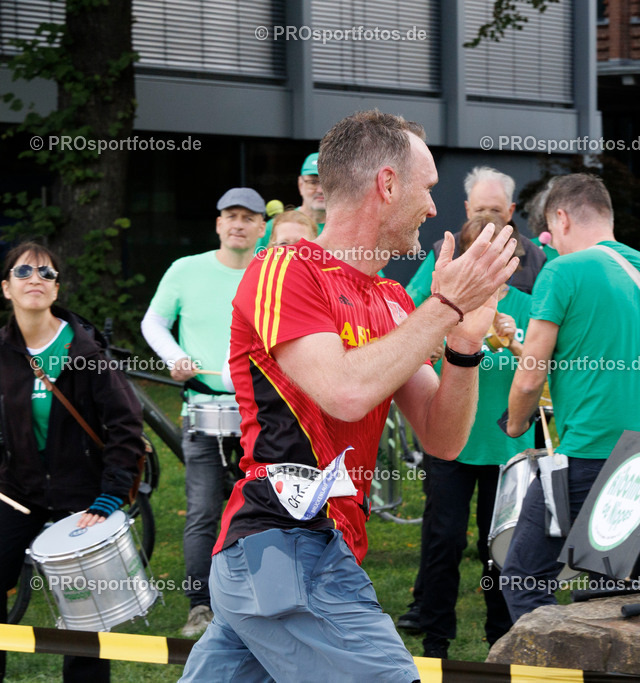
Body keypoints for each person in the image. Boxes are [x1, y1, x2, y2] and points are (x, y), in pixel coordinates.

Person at [179, 110, 519, 682]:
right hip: (282, 543)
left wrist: (462, 345)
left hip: (302, 552)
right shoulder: (284, 268)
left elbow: (443, 438)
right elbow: (344, 391)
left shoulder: (391, 299)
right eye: (428, 188)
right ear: (387, 184)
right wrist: (445, 308)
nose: (435, 208)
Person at [499, 173, 640, 622]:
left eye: (552, 231)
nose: (552, 242)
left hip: (588, 450)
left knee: (523, 578)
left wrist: (516, 424)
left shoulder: (561, 270)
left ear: (561, 217)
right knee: (614, 594)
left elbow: (530, 372)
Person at [0, 242, 143, 683]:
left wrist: (110, 497)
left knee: (87, 614)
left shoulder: (85, 352)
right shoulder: (2, 353)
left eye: (46, 273)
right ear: (6, 288)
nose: (35, 280)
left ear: (57, 288)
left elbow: (126, 425)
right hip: (17, 493)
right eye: (23, 272)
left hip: (83, 497)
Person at [405, 212, 534, 659]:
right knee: (444, 540)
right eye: (477, 251)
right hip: (451, 443)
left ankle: (501, 638)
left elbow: (543, 378)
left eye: (497, 253)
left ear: (512, 259)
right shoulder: (442, 302)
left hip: (507, 447)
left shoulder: (529, 306)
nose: (487, 262)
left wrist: (516, 343)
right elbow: (417, 355)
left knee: (498, 545)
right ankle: (436, 640)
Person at [141, 187, 266, 636]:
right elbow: (153, 322)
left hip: (262, 414)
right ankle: (200, 604)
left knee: (264, 509)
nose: (238, 224)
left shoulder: (269, 273)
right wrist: (174, 356)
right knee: (201, 512)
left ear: (261, 228)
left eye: (248, 217)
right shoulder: (185, 270)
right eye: (230, 215)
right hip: (204, 410)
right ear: (217, 224)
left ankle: (257, 598)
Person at [405, 166, 547, 301]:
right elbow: (411, 302)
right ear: (468, 210)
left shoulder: (535, 257)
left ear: (510, 211)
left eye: (495, 210)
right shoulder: (443, 251)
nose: (487, 218)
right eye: (480, 210)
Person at [253, 152, 325, 253]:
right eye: (313, 182)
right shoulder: (274, 226)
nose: (320, 190)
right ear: (300, 184)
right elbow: (256, 266)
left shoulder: (347, 230)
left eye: (327, 183)